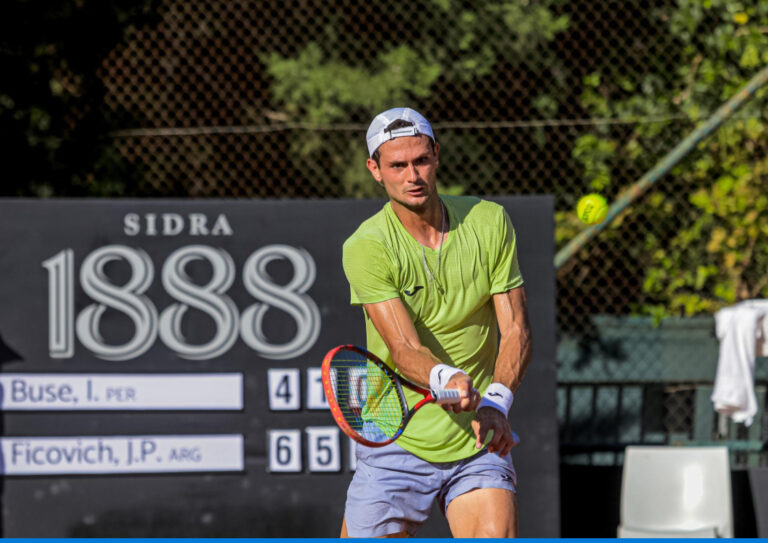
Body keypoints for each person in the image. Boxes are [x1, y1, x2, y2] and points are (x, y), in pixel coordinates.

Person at [339, 107, 533, 538]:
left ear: (436, 155)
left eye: (421, 160)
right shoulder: (367, 246)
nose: (413, 175)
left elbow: (516, 329)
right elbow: (405, 348)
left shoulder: (489, 221)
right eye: (397, 165)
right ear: (375, 169)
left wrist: (496, 403)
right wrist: (445, 377)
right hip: (394, 441)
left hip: (476, 440)